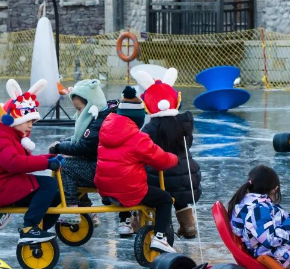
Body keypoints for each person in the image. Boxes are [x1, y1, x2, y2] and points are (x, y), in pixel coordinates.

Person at [0, 78, 63, 243]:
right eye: (28, 121)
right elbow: (14, 163)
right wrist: (46, 163)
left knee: (55, 194)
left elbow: (24, 160)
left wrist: (50, 158)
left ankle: (40, 229)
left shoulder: (11, 135)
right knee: (48, 185)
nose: (31, 125)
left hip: (6, 182)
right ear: (14, 119)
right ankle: (30, 228)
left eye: (32, 121)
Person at [95, 86, 179, 253]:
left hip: (104, 188)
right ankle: (160, 238)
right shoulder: (137, 138)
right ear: (138, 118)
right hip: (128, 191)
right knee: (164, 199)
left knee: (127, 177)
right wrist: (175, 158)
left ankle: (125, 222)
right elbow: (161, 160)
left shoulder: (105, 130)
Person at [136, 67, 202, 239]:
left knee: (153, 192)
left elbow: (141, 150)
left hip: (158, 178)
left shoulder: (149, 128)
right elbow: (188, 144)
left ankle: (146, 225)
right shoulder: (184, 125)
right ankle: (188, 225)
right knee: (179, 195)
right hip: (188, 179)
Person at [48, 79, 111, 226]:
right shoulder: (97, 117)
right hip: (100, 165)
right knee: (73, 165)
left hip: (102, 169)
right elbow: (79, 139)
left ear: (91, 104)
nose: (78, 113)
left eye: (79, 109)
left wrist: (59, 147)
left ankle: (73, 210)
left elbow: (84, 146)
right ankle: (86, 210)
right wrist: (61, 144)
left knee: (64, 166)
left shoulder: (99, 122)